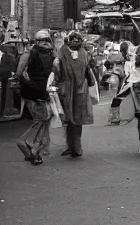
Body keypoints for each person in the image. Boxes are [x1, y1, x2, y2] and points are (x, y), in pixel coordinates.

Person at [15, 30, 57, 165]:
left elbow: (19, 73)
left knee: (44, 118)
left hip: (34, 92)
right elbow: (20, 73)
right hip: (37, 93)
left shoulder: (33, 54)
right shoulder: (46, 54)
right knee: (42, 118)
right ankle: (25, 142)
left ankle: (34, 151)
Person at [55, 31, 97, 158]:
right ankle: (76, 147)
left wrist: (56, 84)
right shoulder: (85, 54)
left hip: (66, 91)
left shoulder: (62, 52)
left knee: (69, 120)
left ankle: (72, 146)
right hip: (81, 91)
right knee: (77, 120)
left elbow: (57, 70)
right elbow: (90, 73)